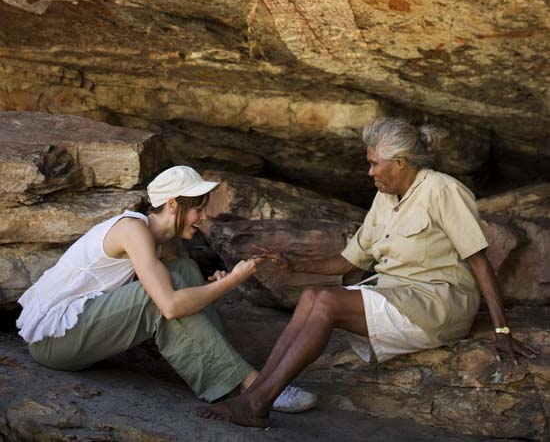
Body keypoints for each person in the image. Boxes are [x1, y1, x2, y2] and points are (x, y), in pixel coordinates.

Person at [199, 117, 539, 428]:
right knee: (312, 295)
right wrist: (293, 264)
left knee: (327, 303)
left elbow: (480, 261)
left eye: (375, 164)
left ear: (400, 162)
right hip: (396, 296)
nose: (370, 172)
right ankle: (254, 398)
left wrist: (501, 328)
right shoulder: (385, 198)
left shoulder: (442, 190)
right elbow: (350, 262)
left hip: (436, 305)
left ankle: (256, 403)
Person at [16, 165, 316, 412]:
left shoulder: (162, 242)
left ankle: (227, 368)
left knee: (184, 270)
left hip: (83, 330)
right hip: (54, 340)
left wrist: (212, 285)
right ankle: (258, 386)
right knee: (158, 298)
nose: (202, 218)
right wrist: (231, 281)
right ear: (172, 204)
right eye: (198, 209)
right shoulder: (132, 230)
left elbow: (180, 291)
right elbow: (170, 305)